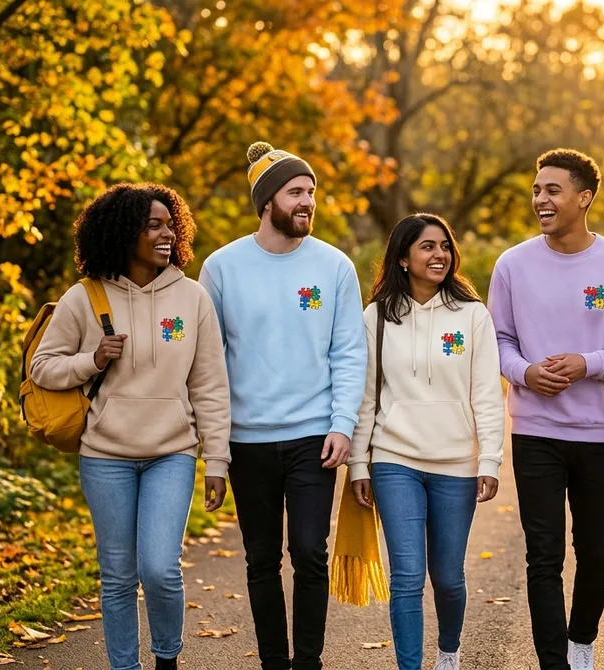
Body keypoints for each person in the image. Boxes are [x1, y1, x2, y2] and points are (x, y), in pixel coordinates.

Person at [30, 183, 231, 670]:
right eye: (153, 225)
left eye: (170, 224)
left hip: (172, 453)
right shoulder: (84, 298)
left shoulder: (192, 298)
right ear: (123, 234)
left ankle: (167, 658)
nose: (167, 234)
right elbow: (42, 368)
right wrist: (90, 360)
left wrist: (217, 459)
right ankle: (125, 666)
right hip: (105, 457)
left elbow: (210, 384)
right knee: (117, 576)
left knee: (160, 569)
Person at [198, 142, 366, 670]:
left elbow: (349, 352)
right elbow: (207, 364)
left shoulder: (334, 266)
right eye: (296, 191)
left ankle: (308, 662)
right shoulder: (222, 268)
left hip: (314, 436)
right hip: (247, 439)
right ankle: (274, 661)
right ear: (267, 200)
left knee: (311, 554)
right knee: (261, 559)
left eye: (312, 192)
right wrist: (215, 451)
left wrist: (342, 424)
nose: (307, 201)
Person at [488, 149, 604, 670]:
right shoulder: (512, 264)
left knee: (596, 551)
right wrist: (525, 373)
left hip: (599, 432)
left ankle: (582, 641)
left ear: (584, 198)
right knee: (543, 555)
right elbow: (499, 340)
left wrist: (587, 363)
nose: (540, 199)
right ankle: (554, 662)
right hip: (534, 430)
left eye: (552, 190)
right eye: (537, 190)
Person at [346, 213, 505, 670]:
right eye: (427, 247)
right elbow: (365, 396)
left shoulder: (473, 316)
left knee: (449, 578)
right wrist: (359, 463)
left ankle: (448, 654)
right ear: (402, 258)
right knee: (408, 577)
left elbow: (486, 395)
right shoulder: (375, 316)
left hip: (456, 463)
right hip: (394, 459)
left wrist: (490, 460)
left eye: (444, 247)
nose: (440, 255)